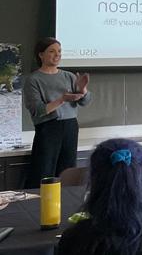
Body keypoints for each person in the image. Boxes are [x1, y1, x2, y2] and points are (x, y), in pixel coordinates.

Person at [23, 38, 92, 188]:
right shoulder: (33, 79)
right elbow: (38, 110)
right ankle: (37, 206)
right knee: (43, 171)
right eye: (52, 51)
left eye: (59, 51)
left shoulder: (69, 76)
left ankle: (66, 204)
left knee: (67, 171)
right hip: (48, 129)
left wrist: (82, 90)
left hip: (70, 127)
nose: (57, 55)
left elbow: (85, 102)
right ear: (41, 55)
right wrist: (62, 99)